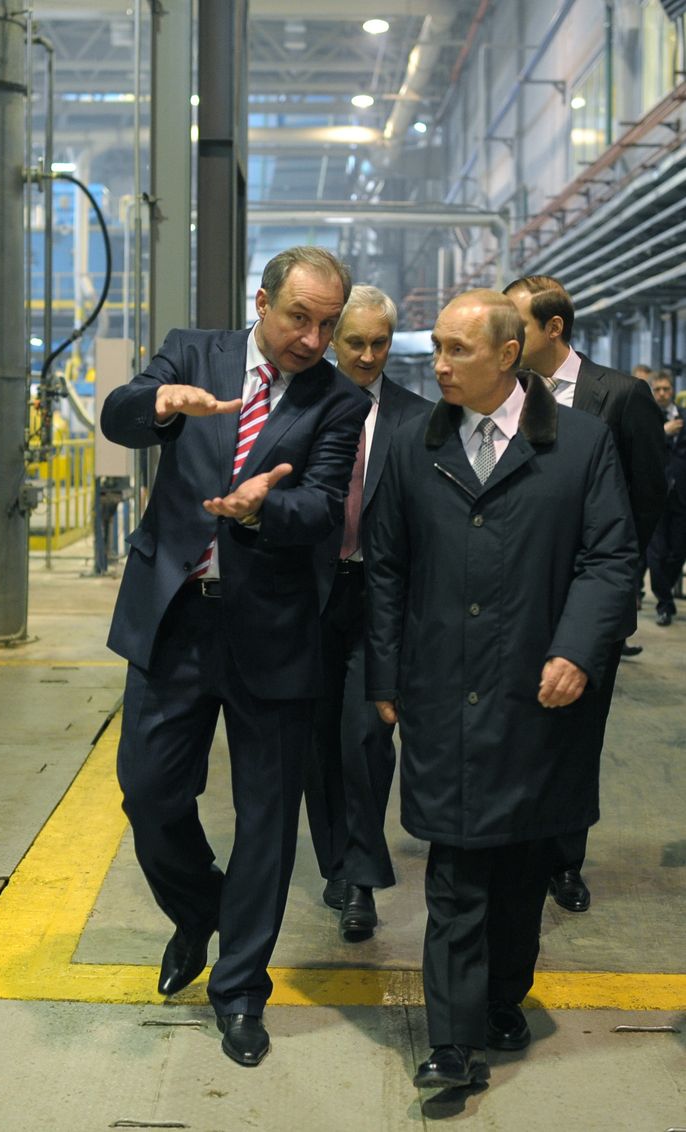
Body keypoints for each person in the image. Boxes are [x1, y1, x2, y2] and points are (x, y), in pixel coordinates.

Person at [100, 245, 370, 1067]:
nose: (313, 339)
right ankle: (199, 910)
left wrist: (259, 509)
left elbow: (321, 506)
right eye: (299, 318)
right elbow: (119, 414)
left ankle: (242, 990)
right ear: (262, 302)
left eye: (328, 324)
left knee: (266, 821)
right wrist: (158, 403)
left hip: (273, 630)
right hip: (175, 619)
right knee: (149, 794)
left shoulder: (339, 400)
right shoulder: (193, 352)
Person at [364, 289, 638, 1090]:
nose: (439, 365)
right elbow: (386, 568)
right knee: (454, 868)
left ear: (509, 355)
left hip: (537, 693)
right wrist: (386, 673)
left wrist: (577, 650)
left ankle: (503, 996)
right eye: (436, 348)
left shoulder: (581, 445)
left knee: (521, 863)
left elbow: (610, 559)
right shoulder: (412, 445)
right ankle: (450, 1044)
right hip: (443, 689)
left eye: (458, 349)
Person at [504, 274, 665, 913]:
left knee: (575, 736)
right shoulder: (505, 392)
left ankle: (564, 861)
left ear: (553, 328)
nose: (504, 336)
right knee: (515, 724)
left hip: (588, 597)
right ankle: (515, 845)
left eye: (516, 325)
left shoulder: (619, 396)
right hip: (515, 594)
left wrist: (606, 580)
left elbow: (646, 499)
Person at [303, 285, 429, 941]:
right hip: (307, 602)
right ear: (333, 339)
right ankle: (336, 859)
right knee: (316, 742)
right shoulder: (300, 405)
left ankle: (360, 880)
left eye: (380, 343)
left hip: (380, 603)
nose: (368, 355)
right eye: (355, 342)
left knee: (366, 737)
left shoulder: (419, 419)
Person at [647, 371, 686, 626]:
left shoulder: (684, 416)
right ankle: (664, 604)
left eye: (666, 389)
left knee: (678, 552)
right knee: (657, 553)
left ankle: (666, 593)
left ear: (672, 390)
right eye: (657, 389)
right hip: (654, 495)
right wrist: (663, 431)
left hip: (682, 496)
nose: (662, 393)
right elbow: (641, 445)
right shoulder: (646, 417)